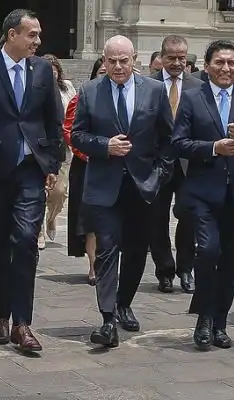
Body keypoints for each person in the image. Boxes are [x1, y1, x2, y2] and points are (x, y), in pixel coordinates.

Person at [0, 8, 66, 354]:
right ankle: (0, 316)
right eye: (32, 35)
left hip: (31, 170)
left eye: (38, 35)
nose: (38, 41)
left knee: (25, 240)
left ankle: (22, 323)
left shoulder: (42, 70)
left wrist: (52, 162)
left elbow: (53, 119)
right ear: (12, 35)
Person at [69, 35, 174, 348]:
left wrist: (161, 175)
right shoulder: (90, 91)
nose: (117, 67)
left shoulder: (154, 90)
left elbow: (168, 138)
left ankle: (124, 303)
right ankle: (107, 319)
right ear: (104, 60)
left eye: (123, 61)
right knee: (106, 249)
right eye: (111, 61)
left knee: (137, 249)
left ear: (134, 59)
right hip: (104, 185)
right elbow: (77, 135)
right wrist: (105, 145)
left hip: (143, 185)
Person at [172, 40, 234, 351]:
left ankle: (219, 324)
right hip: (203, 192)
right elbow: (178, 143)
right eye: (219, 62)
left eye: (231, 63)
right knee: (208, 251)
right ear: (207, 66)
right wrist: (212, 148)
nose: (226, 68)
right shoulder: (193, 97)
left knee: (229, 260)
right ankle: (203, 319)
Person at [148, 34, 202, 294]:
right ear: (161, 57)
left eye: (182, 58)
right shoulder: (148, 85)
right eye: (172, 58)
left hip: (189, 162)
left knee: (189, 216)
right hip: (157, 162)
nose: (177, 63)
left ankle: (186, 269)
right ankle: (164, 271)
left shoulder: (198, 86)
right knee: (156, 219)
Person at [58, 58, 103, 280]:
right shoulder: (82, 97)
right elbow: (69, 131)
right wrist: (87, 153)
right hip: (86, 165)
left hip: (116, 165)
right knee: (90, 220)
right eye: (102, 71)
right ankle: (94, 265)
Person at [42, 55, 79, 251]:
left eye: (54, 69)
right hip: (41, 147)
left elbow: (75, 112)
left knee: (59, 191)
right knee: (38, 192)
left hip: (62, 148)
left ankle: (52, 216)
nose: (51, 73)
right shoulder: (35, 87)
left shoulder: (67, 87)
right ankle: (38, 231)